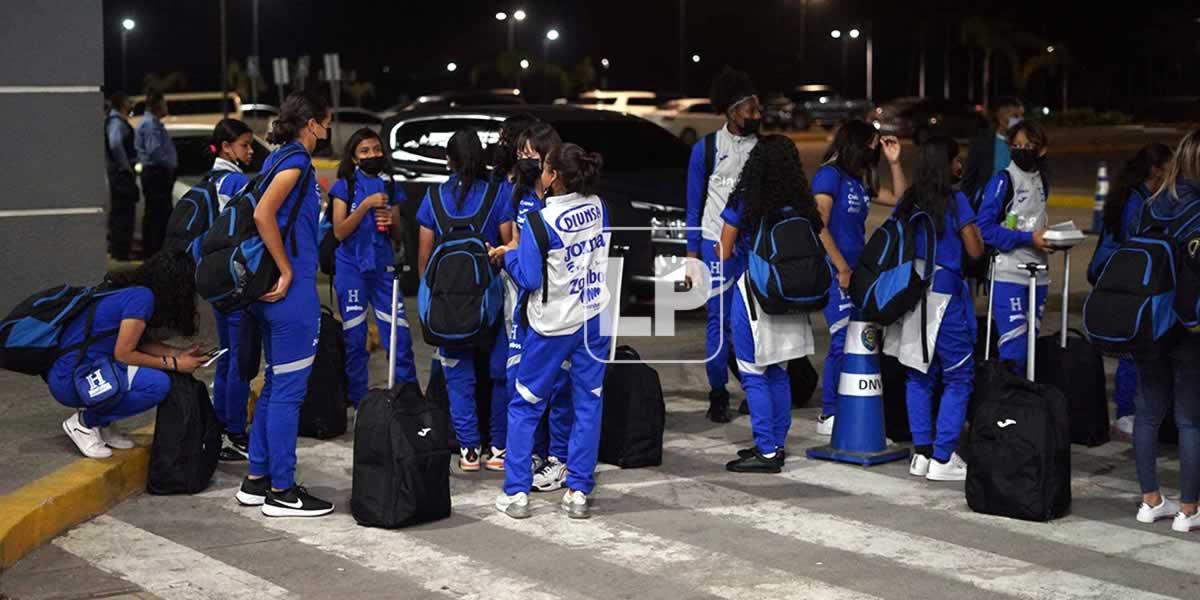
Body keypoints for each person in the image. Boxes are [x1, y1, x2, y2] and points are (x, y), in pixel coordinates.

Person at [492, 143, 612, 519]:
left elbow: (527, 277)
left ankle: (516, 494)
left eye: (543, 168)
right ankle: (577, 491)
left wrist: (505, 255)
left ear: (554, 176)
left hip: (552, 325)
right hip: (594, 317)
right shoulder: (599, 206)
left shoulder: (541, 222)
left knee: (525, 404)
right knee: (588, 403)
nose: (539, 174)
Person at [233, 91, 334, 518]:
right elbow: (263, 214)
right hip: (289, 296)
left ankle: (257, 479)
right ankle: (282, 490)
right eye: (326, 123)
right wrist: (287, 269)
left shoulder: (277, 159)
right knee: (288, 394)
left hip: (269, 295)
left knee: (275, 386)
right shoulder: (294, 162)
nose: (328, 132)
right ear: (311, 122)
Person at [715, 135, 823, 473]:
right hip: (790, 296)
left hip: (756, 293)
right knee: (779, 370)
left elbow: (724, 250)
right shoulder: (801, 202)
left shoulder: (748, 199)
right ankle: (776, 442)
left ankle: (766, 450)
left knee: (752, 372)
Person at [417, 129, 514, 473]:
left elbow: (424, 260)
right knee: (499, 372)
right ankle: (499, 448)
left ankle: (469, 450)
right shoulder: (497, 194)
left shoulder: (433, 198)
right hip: (490, 301)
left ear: (449, 160)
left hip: (447, 305)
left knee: (458, 376)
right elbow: (508, 246)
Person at [889, 137, 985, 482]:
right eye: (956, 161)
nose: (960, 167)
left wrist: (895, 164)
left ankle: (923, 453)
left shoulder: (911, 201)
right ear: (945, 166)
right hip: (945, 296)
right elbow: (975, 250)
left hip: (913, 293)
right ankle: (944, 457)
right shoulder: (955, 200)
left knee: (919, 373)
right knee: (959, 375)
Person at [48, 250, 205, 459]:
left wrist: (179, 353)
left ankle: (104, 424)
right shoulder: (143, 298)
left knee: (148, 375)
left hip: (77, 373)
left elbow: (138, 343)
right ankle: (84, 423)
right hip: (72, 380)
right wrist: (174, 363)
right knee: (157, 385)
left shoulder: (133, 293)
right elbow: (124, 354)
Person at [811, 120, 906, 435]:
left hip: (858, 271)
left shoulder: (858, 179)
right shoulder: (829, 175)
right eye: (873, 144)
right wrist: (840, 268)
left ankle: (847, 402)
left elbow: (902, 201)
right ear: (855, 143)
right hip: (834, 270)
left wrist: (895, 163)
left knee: (859, 339)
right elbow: (819, 224)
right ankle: (829, 413)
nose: (875, 149)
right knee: (841, 339)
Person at [1126, 129, 1200, 533]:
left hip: (1148, 320)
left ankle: (1150, 500)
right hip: (1187, 325)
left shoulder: (1152, 204)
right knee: (1190, 420)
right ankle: (1190, 509)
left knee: (1148, 413)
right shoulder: (1199, 209)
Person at [685, 67, 761, 424]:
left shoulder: (763, 149)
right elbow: (693, 203)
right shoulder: (707, 148)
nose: (758, 115)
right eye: (751, 109)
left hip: (753, 247)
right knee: (719, 323)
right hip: (715, 246)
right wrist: (689, 254)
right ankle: (718, 392)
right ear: (733, 111)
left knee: (754, 321)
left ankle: (753, 386)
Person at [501, 121, 574, 490]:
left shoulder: (562, 200)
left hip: (559, 308)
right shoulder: (519, 194)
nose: (524, 159)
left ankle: (559, 459)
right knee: (522, 383)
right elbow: (515, 241)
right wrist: (509, 255)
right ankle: (535, 452)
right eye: (521, 153)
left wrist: (513, 258)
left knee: (559, 386)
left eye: (532, 153)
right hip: (524, 305)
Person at [329, 128, 417, 408]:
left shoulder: (389, 185)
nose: (372, 155)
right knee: (355, 341)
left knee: (399, 338)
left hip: (383, 270)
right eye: (364, 151)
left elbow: (399, 234)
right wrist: (365, 205)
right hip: (351, 270)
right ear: (354, 157)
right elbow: (340, 231)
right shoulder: (345, 186)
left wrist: (391, 221)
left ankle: (407, 398)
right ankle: (358, 402)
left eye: (376, 150)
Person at [1095, 143, 1172, 439]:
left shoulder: (1140, 195)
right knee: (1131, 348)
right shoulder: (1135, 201)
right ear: (1156, 170)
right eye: (1169, 167)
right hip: (1126, 282)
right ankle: (1125, 412)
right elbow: (1136, 242)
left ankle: (1132, 408)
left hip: (1129, 280)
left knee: (1136, 346)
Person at [977, 121, 1052, 373]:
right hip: (1008, 273)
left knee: (1032, 348)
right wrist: (1028, 239)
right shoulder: (1003, 180)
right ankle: (1008, 403)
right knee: (1014, 350)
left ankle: (1028, 406)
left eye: (1029, 146)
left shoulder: (1043, 180)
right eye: (1017, 145)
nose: (1022, 150)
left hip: (1039, 274)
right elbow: (985, 228)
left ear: (1041, 150)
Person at [206, 119, 256, 461]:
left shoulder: (209, 181)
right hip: (236, 278)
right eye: (244, 145)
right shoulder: (238, 181)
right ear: (226, 147)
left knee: (226, 357)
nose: (250, 151)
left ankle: (222, 424)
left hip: (212, 277)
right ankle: (235, 432)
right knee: (240, 360)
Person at [135, 90, 179, 258]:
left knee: (156, 213)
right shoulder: (150, 125)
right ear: (157, 105)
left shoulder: (152, 123)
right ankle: (155, 252)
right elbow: (155, 151)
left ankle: (154, 251)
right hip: (156, 173)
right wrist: (170, 165)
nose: (166, 107)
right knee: (158, 215)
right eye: (164, 103)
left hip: (156, 173)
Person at [961, 96, 1025, 200]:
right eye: (1015, 116)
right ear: (1001, 117)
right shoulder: (981, 143)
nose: (1020, 120)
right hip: (988, 206)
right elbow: (969, 180)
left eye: (1022, 116)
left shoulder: (1025, 144)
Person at [105, 92, 139, 261]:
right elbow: (115, 144)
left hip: (120, 174)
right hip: (121, 175)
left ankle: (122, 249)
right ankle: (121, 252)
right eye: (127, 101)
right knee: (123, 214)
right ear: (121, 103)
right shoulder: (116, 122)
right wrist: (126, 166)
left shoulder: (117, 121)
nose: (130, 103)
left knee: (123, 213)